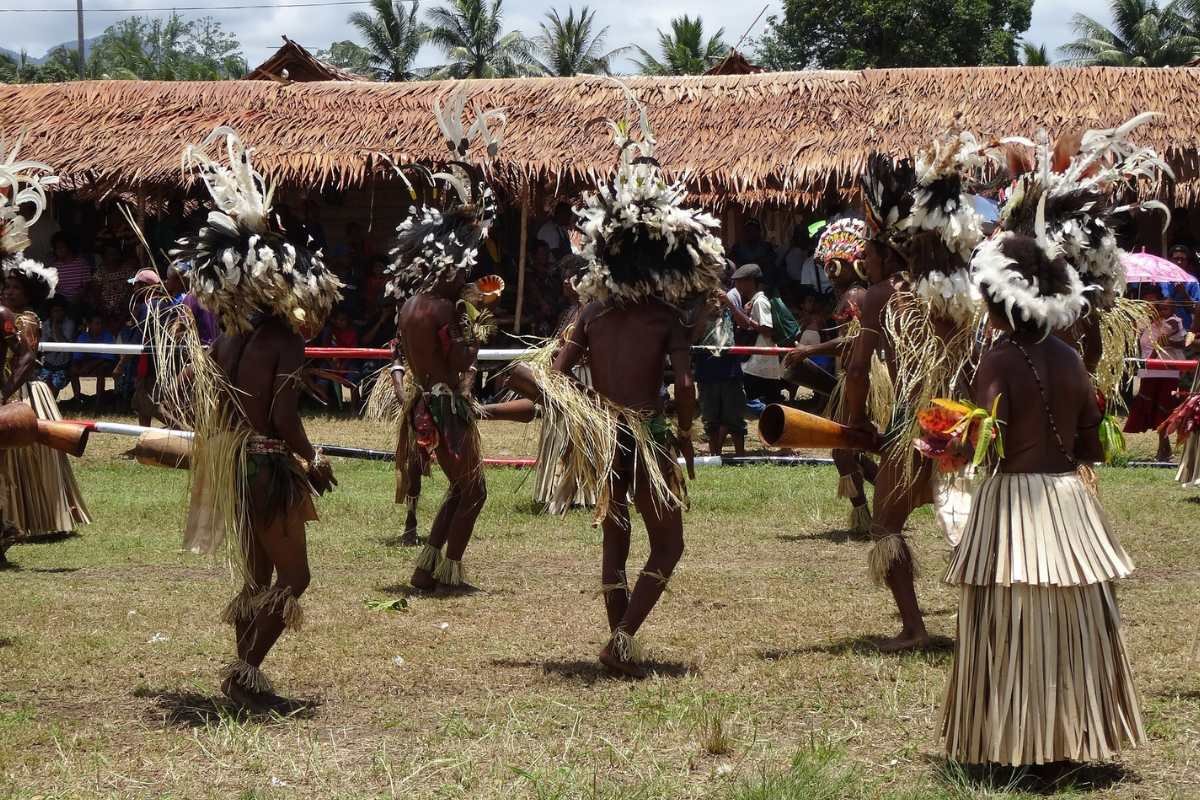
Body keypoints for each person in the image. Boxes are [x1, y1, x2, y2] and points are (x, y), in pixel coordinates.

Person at [505, 93, 720, 677]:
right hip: (646, 436)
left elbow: (551, 372)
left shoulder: (592, 313)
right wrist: (683, 433)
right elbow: (686, 387)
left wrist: (583, 414)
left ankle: (618, 644)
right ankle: (620, 639)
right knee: (668, 544)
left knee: (615, 538)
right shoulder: (665, 319)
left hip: (605, 438)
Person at [942, 230, 1144, 766]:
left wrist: (942, 440)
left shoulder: (999, 362)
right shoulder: (1071, 359)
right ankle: (1068, 739)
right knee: (1070, 630)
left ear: (998, 298)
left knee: (1017, 626)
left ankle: (1017, 746)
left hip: (1017, 514)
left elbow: (980, 445)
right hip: (1070, 507)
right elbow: (1093, 446)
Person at [169, 126, 341, 709]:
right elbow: (285, 418)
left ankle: (247, 677)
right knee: (295, 580)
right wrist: (312, 458)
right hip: (267, 464)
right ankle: (245, 675)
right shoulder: (283, 344)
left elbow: (220, 405)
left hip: (236, 461)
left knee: (256, 578)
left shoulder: (229, 340)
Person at [842, 142, 987, 652]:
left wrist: (855, 424)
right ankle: (985, 625)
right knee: (971, 529)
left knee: (886, 525)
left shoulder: (885, 295)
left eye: (868, 249)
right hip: (969, 419)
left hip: (919, 421)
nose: (863, 259)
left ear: (889, 248)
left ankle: (915, 627)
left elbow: (858, 370)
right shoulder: (964, 292)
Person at [384, 89, 506, 593]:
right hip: (444, 405)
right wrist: (479, 324)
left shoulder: (411, 305)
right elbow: (459, 361)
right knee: (472, 491)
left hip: (422, 403)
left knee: (461, 490)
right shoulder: (446, 309)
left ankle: (425, 569)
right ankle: (449, 571)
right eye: (468, 267)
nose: (472, 274)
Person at [0, 150, 92, 539]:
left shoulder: (28, 320)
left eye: (16, 287)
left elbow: (27, 356)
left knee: (28, 457)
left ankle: (36, 519)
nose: (10, 290)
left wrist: (8, 391)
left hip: (22, 391)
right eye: (8, 285)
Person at [784, 219, 877, 532]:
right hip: (849, 379)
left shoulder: (856, 296)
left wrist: (808, 352)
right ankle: (888, 496)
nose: (827, 271)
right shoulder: (850, 295)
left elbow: (855, 342)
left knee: (842, 449)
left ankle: (866, 515)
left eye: (832, 266)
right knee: (850, 450)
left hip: (860, 379)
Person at [1125, 285, 1187, 461]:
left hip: (1167, 373)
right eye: (1160, 307)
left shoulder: (1175, 322)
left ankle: (1164, 448)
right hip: (1149, 374)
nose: (1161, 310)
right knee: (1150, 410)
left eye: (1165, 307)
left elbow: (1166, 339)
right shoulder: (1146, 323)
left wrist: (1153, 356)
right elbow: (1133, 333)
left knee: (1164, 411)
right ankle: (1163, 449)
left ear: (1173, 308)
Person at [733, 264, 784, 404]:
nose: (737, 285)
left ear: (750, 282)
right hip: (756, 364)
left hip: (761, 364)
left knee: (764, 405)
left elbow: (766, 329)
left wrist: (748, 320)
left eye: (740, 281)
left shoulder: (760, 302)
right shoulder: (753, 302)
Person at [68, 313, 117, 408]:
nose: (100, 326)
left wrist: (89, 366)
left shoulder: (107, 336)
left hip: (104, 363)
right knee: (72, 370)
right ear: (89, 325)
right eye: (97, 323)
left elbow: (107, 358)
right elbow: (77, 357)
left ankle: (99, 402)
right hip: (87, 362)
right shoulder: (83, 337)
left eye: (101, 323)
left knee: (101, 370)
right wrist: (77, 366)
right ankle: (77, 400)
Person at [37, 298, 76, 400]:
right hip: (48, 362)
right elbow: (44, 347)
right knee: (43, 383)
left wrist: (55, 325)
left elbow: (63, 345)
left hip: (64, 363)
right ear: (50, 312)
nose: (58, 313)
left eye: (60, 311)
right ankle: (48, 403)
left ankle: (52, 403)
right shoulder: (45, 324)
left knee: (57, 382)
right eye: (55, 311)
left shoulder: (69, 323)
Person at [47, 232, 92, 308]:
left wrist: (77, 299)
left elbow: (86, 286)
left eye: (61, 247)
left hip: (79, 301)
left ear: (69, 247)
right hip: (61, 302)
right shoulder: (54, 266)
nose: (59, 250)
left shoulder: (81, 264)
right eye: (56, 248)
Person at [779, 224, 827, 294]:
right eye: (805, 236)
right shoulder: (795, 253)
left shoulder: (801, 251)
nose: (808, 239)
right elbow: (800, 277)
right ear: (799, 238)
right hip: (800, 285)